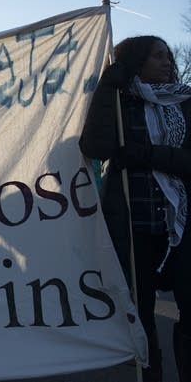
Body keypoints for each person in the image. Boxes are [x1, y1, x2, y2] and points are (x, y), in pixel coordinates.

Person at [79, 35, 190, 382]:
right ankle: (150, 373)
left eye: (167, 55)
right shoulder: (119, 101)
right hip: (133, 224)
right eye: (157, 56)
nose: (167, 61)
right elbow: (95, 146)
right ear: (136, 61)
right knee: (141, 315)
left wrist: (149, 155)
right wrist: (105, 89)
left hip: (182, 225)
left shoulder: (184, 102)